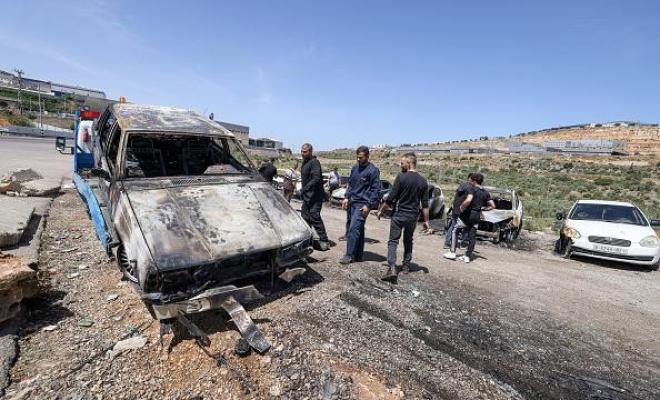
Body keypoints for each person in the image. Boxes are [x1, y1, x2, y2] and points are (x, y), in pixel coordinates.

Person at [377, 153, 430, 283]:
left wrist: (381, 210)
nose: (400, 165)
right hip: (412, 216)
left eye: (402, 163)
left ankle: (392, 267)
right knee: (408, 240)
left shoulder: (401, 177)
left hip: (399, 214)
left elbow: (391, 197)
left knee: (393, 241)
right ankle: (406, 266)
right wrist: (426, 221)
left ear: (409, 163)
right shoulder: (423, 181)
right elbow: (425, 204)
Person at [340, 146, 381, 265]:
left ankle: (349, 255)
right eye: (357, 157)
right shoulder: (354, 168)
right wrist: (346, 197)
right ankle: (358, 255)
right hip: (352, 202)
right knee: (359, 229)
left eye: (361, 157)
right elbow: (351, 185)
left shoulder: (373, 171)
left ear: (367, 156)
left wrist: (369, 205)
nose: (358, 159)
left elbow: (375, 190)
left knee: (353, 229)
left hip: (362, 204)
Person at [444, 173, 495, 263]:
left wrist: (461, 208)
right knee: (472, 236)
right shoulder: (486, 192)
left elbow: (468, 200)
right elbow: (493, 206)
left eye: (471, 180)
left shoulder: (472, 189)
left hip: (467, 215)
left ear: (474, 181)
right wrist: (483, 209)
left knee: (455, 231)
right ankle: (467, 256)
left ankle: (452, 253)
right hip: (476, 216)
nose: (470, 182)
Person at [300, 144, 330, 251]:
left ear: (311, 151)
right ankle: (307, 239)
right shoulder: (305, 162)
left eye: (305, 151)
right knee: (305, 218)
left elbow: (316, 178)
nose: (302, 153)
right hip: (307, 197)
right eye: (302, 151)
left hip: (315, 196)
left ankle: (324, 240)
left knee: (314, 216)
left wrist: (305, 188)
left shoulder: (314, 162)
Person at [444, 173, 474, 249]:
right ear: (470, 179)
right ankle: (463, 243)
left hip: (455, 209)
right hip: (463, 210)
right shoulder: (470, 188)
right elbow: (468, 200)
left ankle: (447, 242)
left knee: (453, 225)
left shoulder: (462, 185)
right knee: (466, 226)